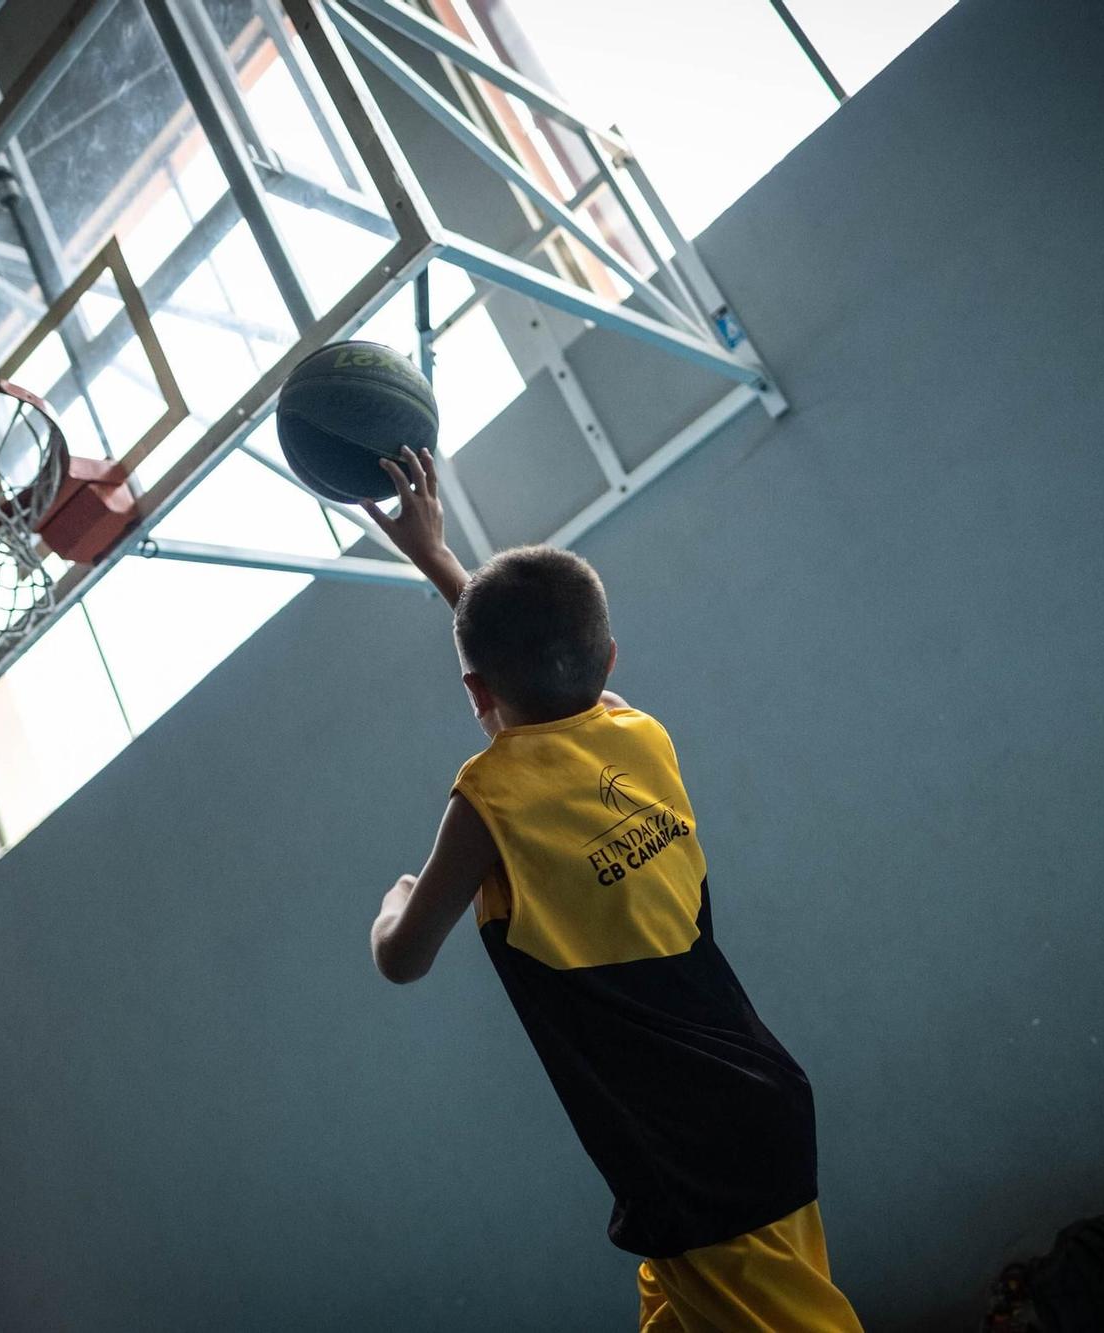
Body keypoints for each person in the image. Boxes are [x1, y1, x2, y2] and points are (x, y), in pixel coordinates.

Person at [361, 446, 862, 1331]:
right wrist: (440, 560)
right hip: (749, 1109)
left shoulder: (487, 802)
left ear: (475, 687)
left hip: (695, 1163)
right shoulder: (637, 731)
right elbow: (540, 678)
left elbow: (403, 959)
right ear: (610, 655)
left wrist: (395, 900)